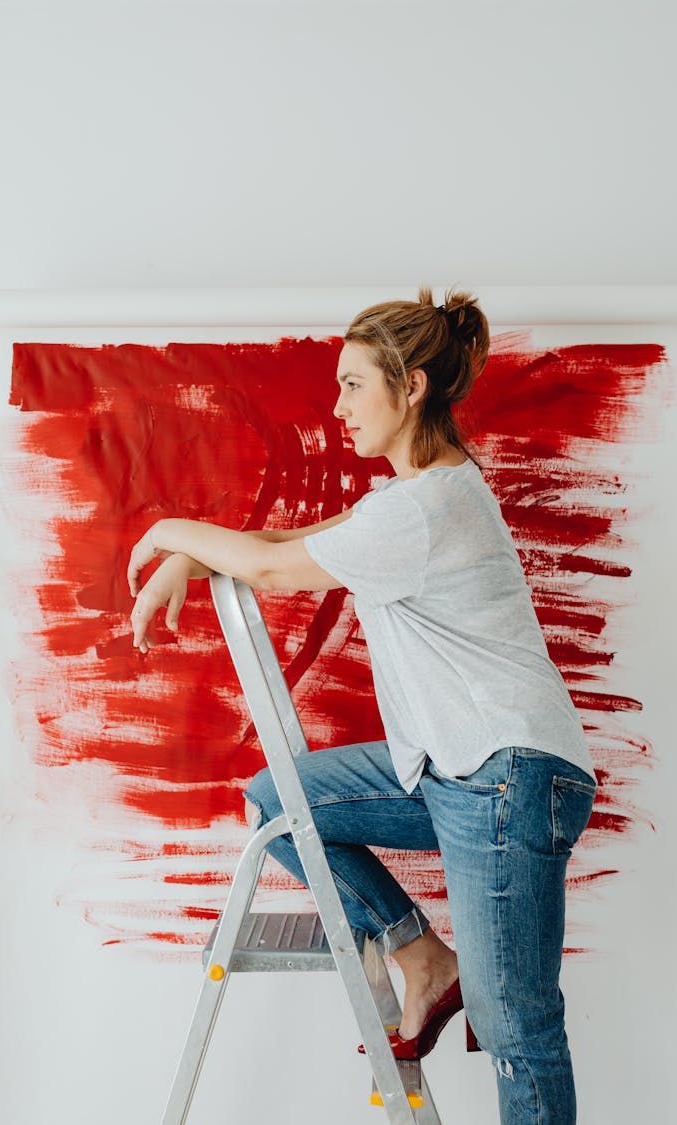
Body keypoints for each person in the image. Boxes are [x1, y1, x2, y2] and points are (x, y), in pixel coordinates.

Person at [127, 287, 597, 1125]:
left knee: (518, 1027)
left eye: (352, 385)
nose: (337, 406)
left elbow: (272, 570)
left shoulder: (424, 511)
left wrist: (169, 530)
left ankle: (443, 974)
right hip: (449, 768)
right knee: (280, 801)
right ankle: (420, 954)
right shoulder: (409, 501)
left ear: (411, 387)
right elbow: (284, 547)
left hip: (506, 776)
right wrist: (189, 557)